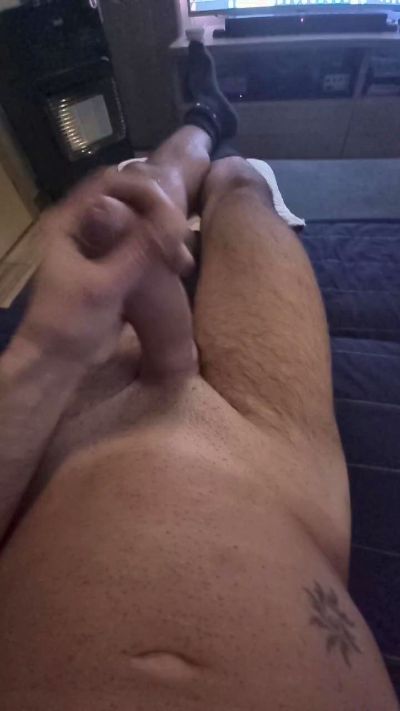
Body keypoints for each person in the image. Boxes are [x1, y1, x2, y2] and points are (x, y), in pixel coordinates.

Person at [0, 43, 397, 711]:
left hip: (81, 445)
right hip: (275, 466)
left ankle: (203, 123)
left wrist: (48, 348)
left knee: (147, 203)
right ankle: (215, 133)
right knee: (238, 191)